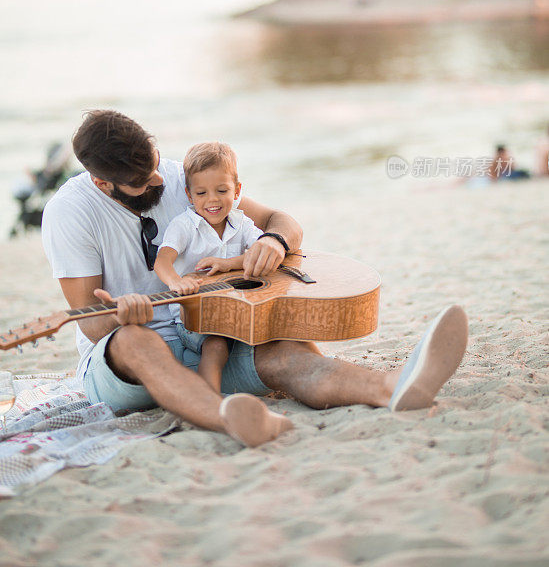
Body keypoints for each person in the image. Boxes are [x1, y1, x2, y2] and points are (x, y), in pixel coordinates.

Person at [42, 110, 469, 448]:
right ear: (102, 182)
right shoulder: (70, 213)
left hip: (207, 333)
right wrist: (124, 317)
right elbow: (94, 325)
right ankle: (226, 416)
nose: (158, 180)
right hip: (127, 368)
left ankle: (393, 387)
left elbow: (284, 221)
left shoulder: (182, 179)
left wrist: (275, 241)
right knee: (138, 341)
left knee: (284, 352)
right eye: (140, 182)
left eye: (154, 165)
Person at [154, 141, 263, 392]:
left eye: (221, 191)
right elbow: (162, 261)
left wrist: (229, 264)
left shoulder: (241, 221)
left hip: (236, 309)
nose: (212, 200)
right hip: (193, 317)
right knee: (216, 346)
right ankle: (209, 399)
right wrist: (176, 282)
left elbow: (262, 252)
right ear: (189, 194)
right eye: (201, 193)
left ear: (236, 191)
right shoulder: (184, 226)